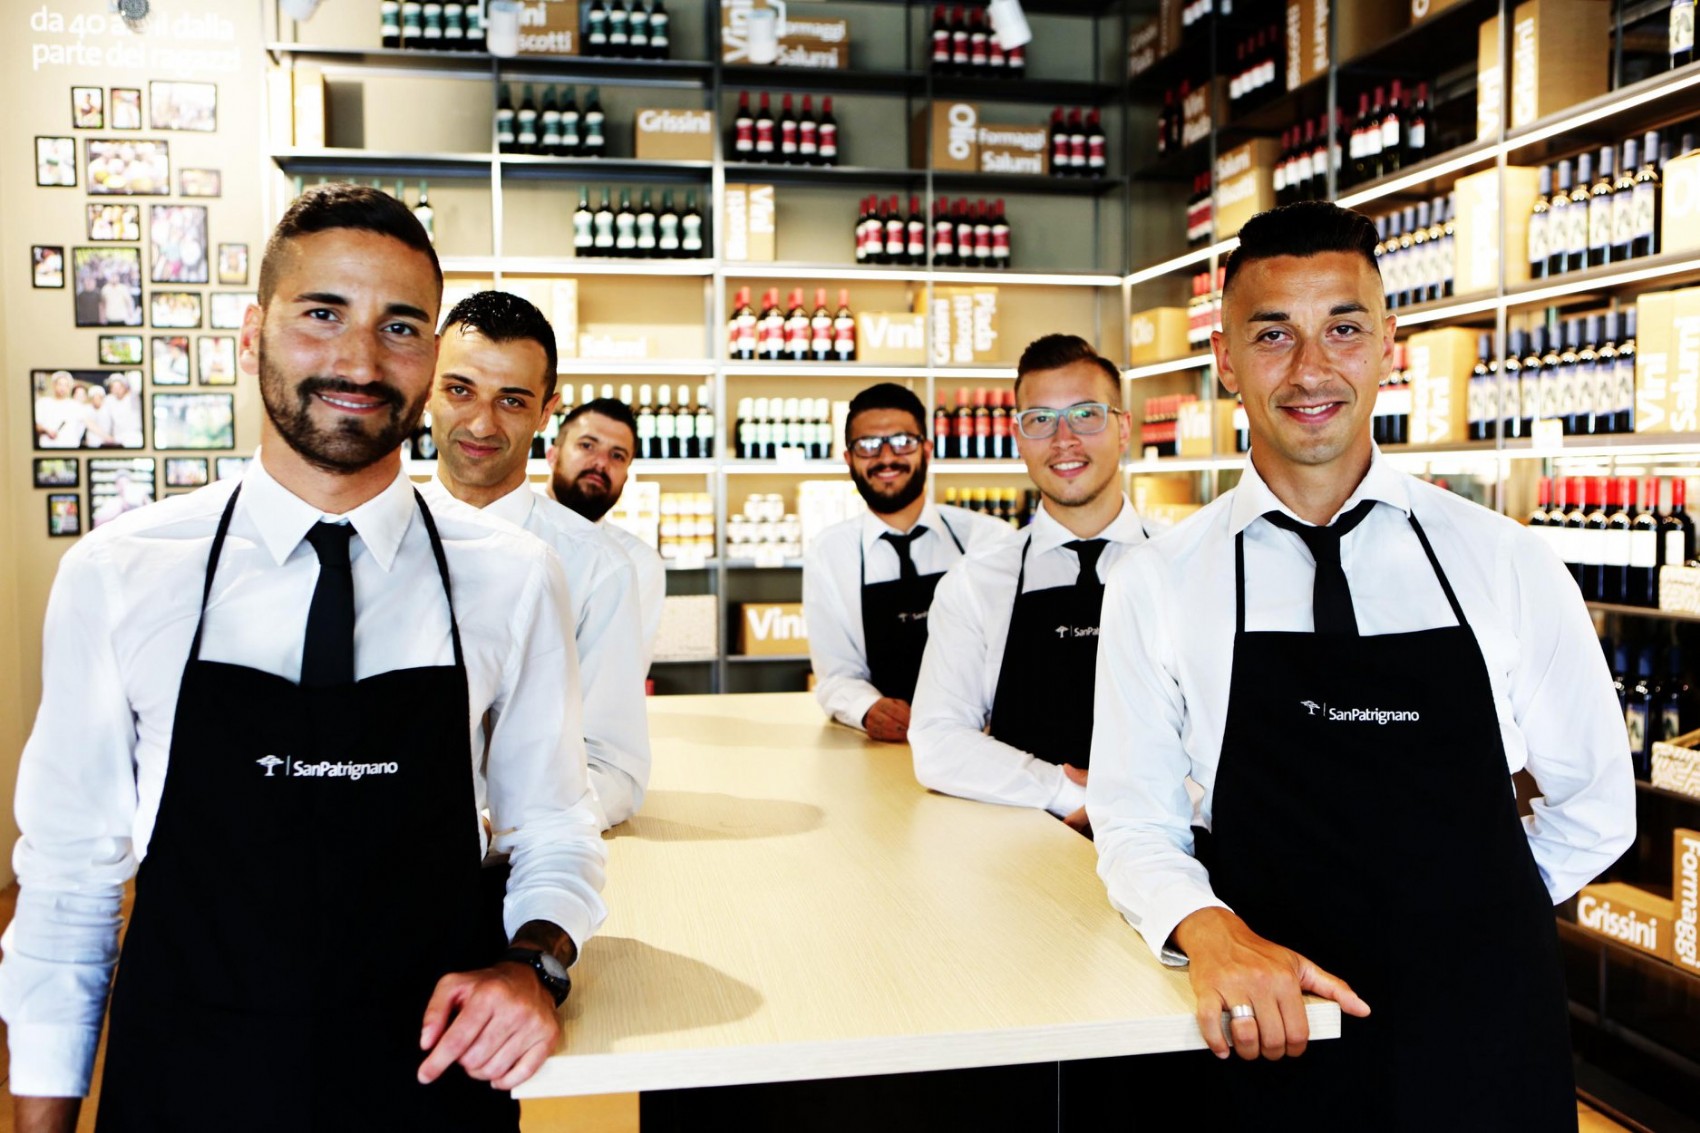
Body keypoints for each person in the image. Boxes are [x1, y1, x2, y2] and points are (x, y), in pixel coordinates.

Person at [0, 183, 607, 1133]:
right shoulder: (121, 575)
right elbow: (71, 885)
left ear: (430, 359)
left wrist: (534, 965)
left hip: (432, 1082)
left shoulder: (514, 578)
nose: (359, 359)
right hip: (190, 1083)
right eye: (322, 313)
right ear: (254, 335)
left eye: (400, 327)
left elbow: (557, 829)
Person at [1089, 201, 1635, 1126]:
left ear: (1391, 345)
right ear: (1224, 361)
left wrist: (1472, 918)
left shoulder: (1504, 560)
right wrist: (1208, 928)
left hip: (1482, 1036)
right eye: (1273, 335)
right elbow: (1133, 823)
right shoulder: (1159, 580)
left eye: (1343, 328)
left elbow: (1596, 802)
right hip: (1271, 1030)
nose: (1311, 370)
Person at [422, 290, 651, 829]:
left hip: (528, 863)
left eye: (512, 400)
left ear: (547, 410)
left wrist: (488, 826)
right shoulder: (367, 539)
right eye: (460, 390)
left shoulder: (597, 567)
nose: (482, 425)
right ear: (426, 385)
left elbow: (613, 769)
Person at [911, 337, 1147, 831]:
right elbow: (937, 742)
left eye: (1086, 415)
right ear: (1018, 438)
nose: (1063, 439)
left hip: (1176, 849)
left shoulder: (1187, 568)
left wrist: (1133, 804)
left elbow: (1232, 734)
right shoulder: (976, 583)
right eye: (1040, 420)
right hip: (1025, 853)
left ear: (1124, 428)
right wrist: (1063, 791)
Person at [804, 382, 1012, 742]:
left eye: (903, 441)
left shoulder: (990, 540)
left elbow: (1012, 656)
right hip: (883, 748)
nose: (886, 457)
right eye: (868, 446)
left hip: (982, 740)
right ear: (849, 457)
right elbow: (836, 674)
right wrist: (868, 709)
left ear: (926, 450)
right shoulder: (828, 553)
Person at [548, 398, 665, 667]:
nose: (600, 463)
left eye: (617, 455)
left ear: (626, 476)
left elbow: (621, 673)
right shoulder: (510, 532)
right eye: (587, 445)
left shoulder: (639, 562)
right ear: (552, 456)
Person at [33, 371, 85, 448]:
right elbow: (36, 425)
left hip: (71, 448)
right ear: (54, 385)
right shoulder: (42, 402)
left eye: (66, 385)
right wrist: (47, 431)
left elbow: (85, 426)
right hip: (47, 448)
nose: (62, 388)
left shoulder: (76, 405)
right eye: (60, 384)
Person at [104, 373, 144, 448]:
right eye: (113, 387)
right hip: (117, 439)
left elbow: (136, 383)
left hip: (135, 437)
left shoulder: (133, 398)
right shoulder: (109, 400)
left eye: (119, 387)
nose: (116, 390)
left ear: (125, 387)